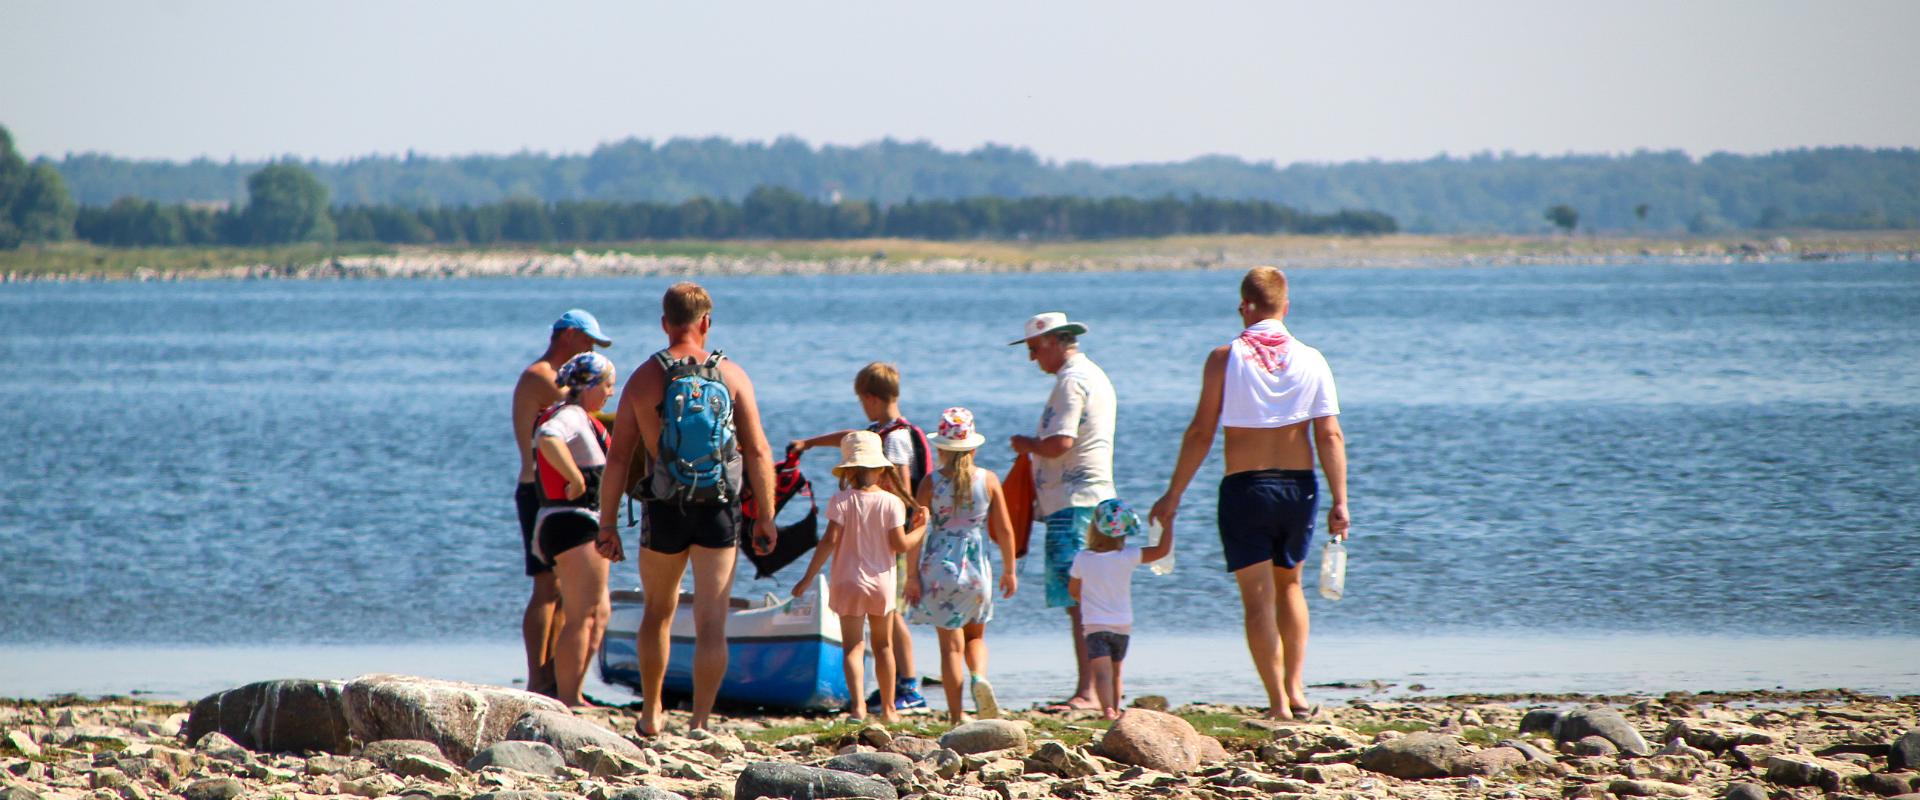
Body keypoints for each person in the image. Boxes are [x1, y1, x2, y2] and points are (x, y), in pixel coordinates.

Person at [1149, 266, 1349, 721]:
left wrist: (1173, 494)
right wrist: (1341, 500)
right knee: (1291, 586)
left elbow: (1201, 432)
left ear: (1244, 306)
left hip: (1246, 488)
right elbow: (1330, 435)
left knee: (1257, 598)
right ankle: (1297, 691)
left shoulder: (1225, 357)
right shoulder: (1313, 358)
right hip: (1300, 488)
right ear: (1286, 306)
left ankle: (1277, 703)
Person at [596, 282, 779, 734]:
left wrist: (607, 524)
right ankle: (700, 720)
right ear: (706, 323)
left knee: (657, 612)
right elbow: (757, 451)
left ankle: (651, 711)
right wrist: (768, 516)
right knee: (711, 621)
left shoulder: (643, 377)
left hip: (664, 507)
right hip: (718, 507)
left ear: (664, 323)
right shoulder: (732, 375)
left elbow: (618, 458)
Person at [788, 362, 932, 712]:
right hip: (885, 537)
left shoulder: (895, 439)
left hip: (873, 545)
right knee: (884, 631)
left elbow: (899, 482)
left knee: (875, 629)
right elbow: (850, 439)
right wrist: (809, 443)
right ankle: (893, 699)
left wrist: (808, 576)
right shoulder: (879, 432)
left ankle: (903, 686)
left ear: (870, 397)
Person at [1008, 311, 1117, 712]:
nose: (1032, 358)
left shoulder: (1072, 383)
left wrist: (1025, 444)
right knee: (1094, 598)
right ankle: (1099, 690)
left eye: (1035, 349)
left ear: (1055, 341)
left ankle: (1087, 693)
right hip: (1092, 498)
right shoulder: (1090, 375)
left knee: (1080, 598)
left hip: (1074, 505)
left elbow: (1060, 443)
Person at [511, 308, 612, 697]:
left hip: (562, 496)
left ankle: (562, 680)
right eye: (588, 341)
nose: (589, 349)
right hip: (542, 493)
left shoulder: (563, 379)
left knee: (569, 592)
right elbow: (582, 416)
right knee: (546, 587)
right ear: (568, 335)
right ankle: (540, 679)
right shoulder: (543, 377)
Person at [903, 407, 1018, 722]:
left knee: (950, 647)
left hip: (939, 567)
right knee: (976, 637)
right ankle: (979, 677)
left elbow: (917, 530)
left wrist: (911, 577)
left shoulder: (931, 482)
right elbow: (1005, 531)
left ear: (941, 448)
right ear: (974, 447)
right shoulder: (989, 480)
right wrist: (1009, 570)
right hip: (976, 567)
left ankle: (956, 716)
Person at [530, 352, 619, 707]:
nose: (612, 393)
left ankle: (574, 690)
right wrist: (576, 477)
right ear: (591, 386)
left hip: (573, 523)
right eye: (609, 386)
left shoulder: (583, 417)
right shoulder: (569, 416)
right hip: (573, 523)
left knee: (599, 613)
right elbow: (548, 437)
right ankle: (567, 698)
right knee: (582, 615)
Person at [1067, 498, 1174, 720]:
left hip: (1095, 625)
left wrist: (1084, 597)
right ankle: (1115, 711)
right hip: (1122, 625)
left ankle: (1107, 710)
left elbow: (1073, 591)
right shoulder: (1128, 555)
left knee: (1101, 672)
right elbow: (1162, 551)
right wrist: (1168, 523)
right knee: (1116, 672)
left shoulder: (1082, 558)